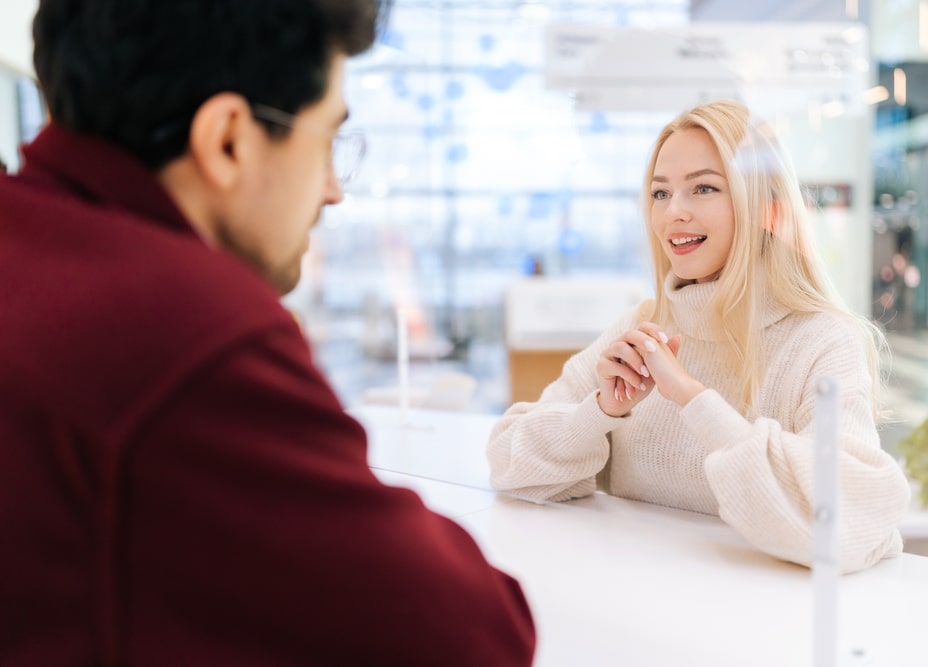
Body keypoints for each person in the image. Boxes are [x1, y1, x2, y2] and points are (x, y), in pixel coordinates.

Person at [0, 1, 534, 665]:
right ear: (229, 139)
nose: (334, 190)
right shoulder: (185, 328)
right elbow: (473, 635)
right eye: (327, 142)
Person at [487, 100, 911, 574]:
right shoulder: (643, 324)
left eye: (703, 188)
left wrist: (692, 399)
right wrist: (602, 411)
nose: (674, 214)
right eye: (660, 193)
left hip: (767, 628)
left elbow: (851, 518)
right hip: (642, 614)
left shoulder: (822, 341)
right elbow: (509, 463)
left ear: (763, 207)